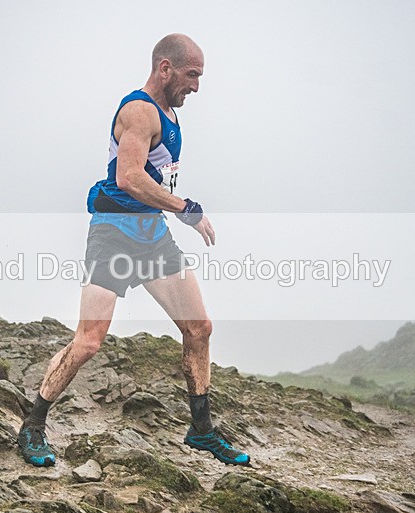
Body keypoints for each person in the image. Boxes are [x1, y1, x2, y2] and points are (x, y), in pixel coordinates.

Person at [18, 33, 250, 468]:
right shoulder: (140, 111)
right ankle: (32, 425)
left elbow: (152, 177)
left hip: (151, 236)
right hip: (113, 235)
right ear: (165, 68)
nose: (197, 86)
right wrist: (187, 208)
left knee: (199, 329)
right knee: (88, 342)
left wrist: (170, 209)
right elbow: (128, 177)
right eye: (191, 75)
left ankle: (201, 431)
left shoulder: (168, 113)